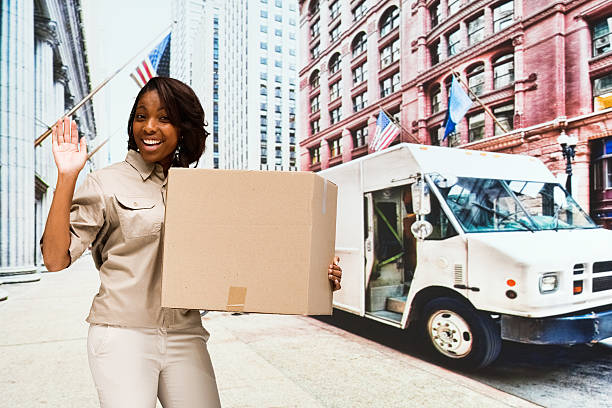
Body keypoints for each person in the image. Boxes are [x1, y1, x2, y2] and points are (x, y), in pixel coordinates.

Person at [40, 77, 343, 408]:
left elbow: (246, 259)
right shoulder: (106, 183)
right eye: (141, 116)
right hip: (122, 335)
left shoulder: (202, 190)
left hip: (186, 332)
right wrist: (67, 176)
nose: (149, 127)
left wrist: (313, 276)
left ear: (184, 126)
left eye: (164, 117)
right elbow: (55, 258)